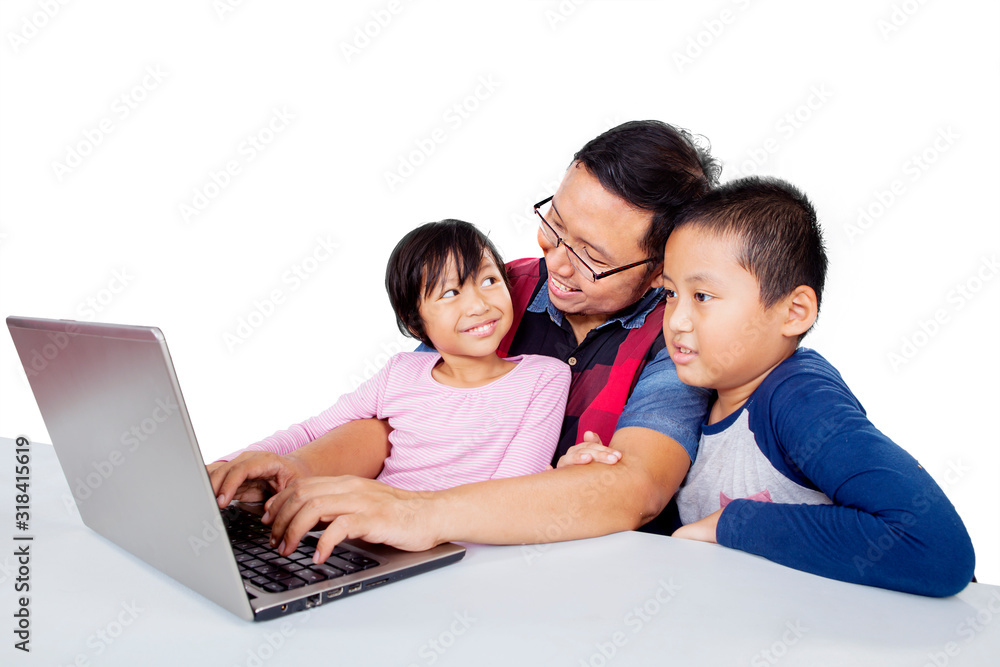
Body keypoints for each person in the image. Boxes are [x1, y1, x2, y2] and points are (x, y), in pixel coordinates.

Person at [209, 120, 721, 561]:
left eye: (592, 256)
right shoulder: (497, 293)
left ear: (661, 270)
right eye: (555, 224)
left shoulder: (677, 339)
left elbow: (636, 489)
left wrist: (423, 513)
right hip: (447, 559)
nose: (557, 262)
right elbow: (395, 420)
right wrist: (296, 475)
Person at [634, 175, 972, 596]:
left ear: (794, 312)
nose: (676, 320)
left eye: (702, 296)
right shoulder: (698, 393)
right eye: (669, 294)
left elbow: (937, 550)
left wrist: (731, 523)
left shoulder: (799, 399)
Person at [214, 219, 570, 496]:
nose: (479, 304)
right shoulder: (400, 374)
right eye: (450, 292)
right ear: (416, 324)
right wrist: (231, 463)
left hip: (463, 540)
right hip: (373, 534)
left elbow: (514, 489)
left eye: (489, 280)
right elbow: (312, 431)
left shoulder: (545, 378)